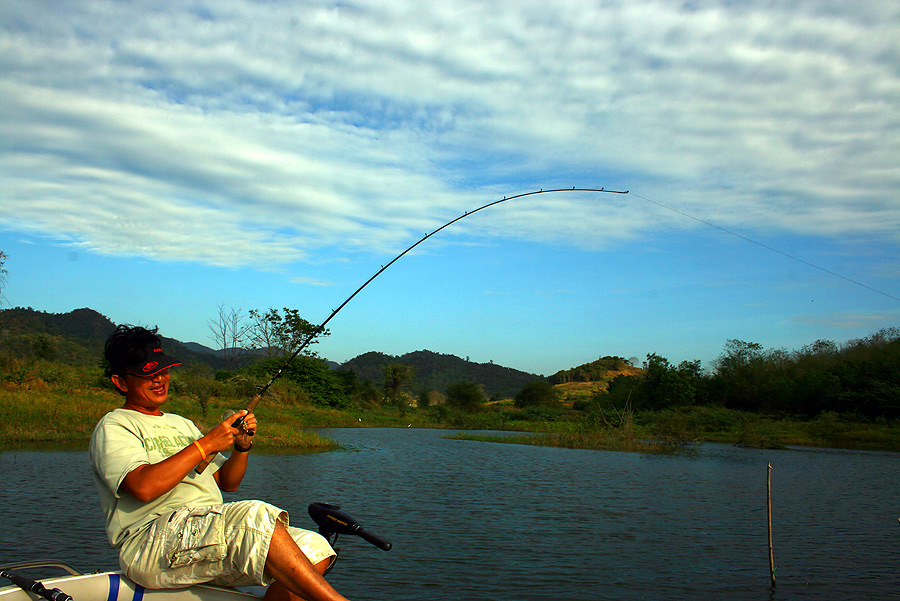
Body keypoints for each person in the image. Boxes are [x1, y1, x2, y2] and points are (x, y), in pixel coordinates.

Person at [89, 325, 350, 601]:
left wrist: (241, 445)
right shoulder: (116, 425)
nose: (159, 379)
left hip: (203, 530)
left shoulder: (181, 424)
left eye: (163, 370)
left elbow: (228, 482)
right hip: (150, 542)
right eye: (147, 374)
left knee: (315, 547)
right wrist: (205, 444)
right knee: (255, 516)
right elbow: (142, 487)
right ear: (120, 382)